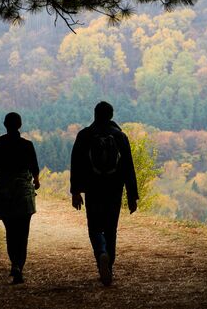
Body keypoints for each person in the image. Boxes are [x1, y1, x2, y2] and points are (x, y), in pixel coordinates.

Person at [70, 101, 138, 286]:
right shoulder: (120, 137)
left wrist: (76, 191)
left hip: (93, 189)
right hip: (114, 190)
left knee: (94, 228)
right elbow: (128, 168)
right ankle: (110, 265)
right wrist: (132, 196)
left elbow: (75, 164)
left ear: (95, 114)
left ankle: (101, 253)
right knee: (110, 229)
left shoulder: (85, 135)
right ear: (111, 115)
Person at [0, 112, 40, 284]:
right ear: (20, 125)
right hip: (23, 192)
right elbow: (35, 169)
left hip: (3, 191)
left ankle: (14, 263)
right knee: (23, 231)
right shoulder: (27, 145)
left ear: (5, 125)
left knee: (10, 231)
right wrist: (36, 181)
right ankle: (19, 265)